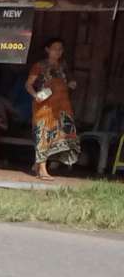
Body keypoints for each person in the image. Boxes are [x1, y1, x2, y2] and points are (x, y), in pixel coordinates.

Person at [26, 36, 79, 179]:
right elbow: (28, 84)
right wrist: (35, 95)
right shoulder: (40, 66)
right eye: (55, 49)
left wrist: (71, 84)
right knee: (43, 134)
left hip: (61, 107)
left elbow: (69, 81)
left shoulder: (63, 66)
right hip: (44, 106)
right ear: (47, 50)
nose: (58, 52)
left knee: (59, 135)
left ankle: (38, 164)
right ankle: (42, 170)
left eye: (60, 49)